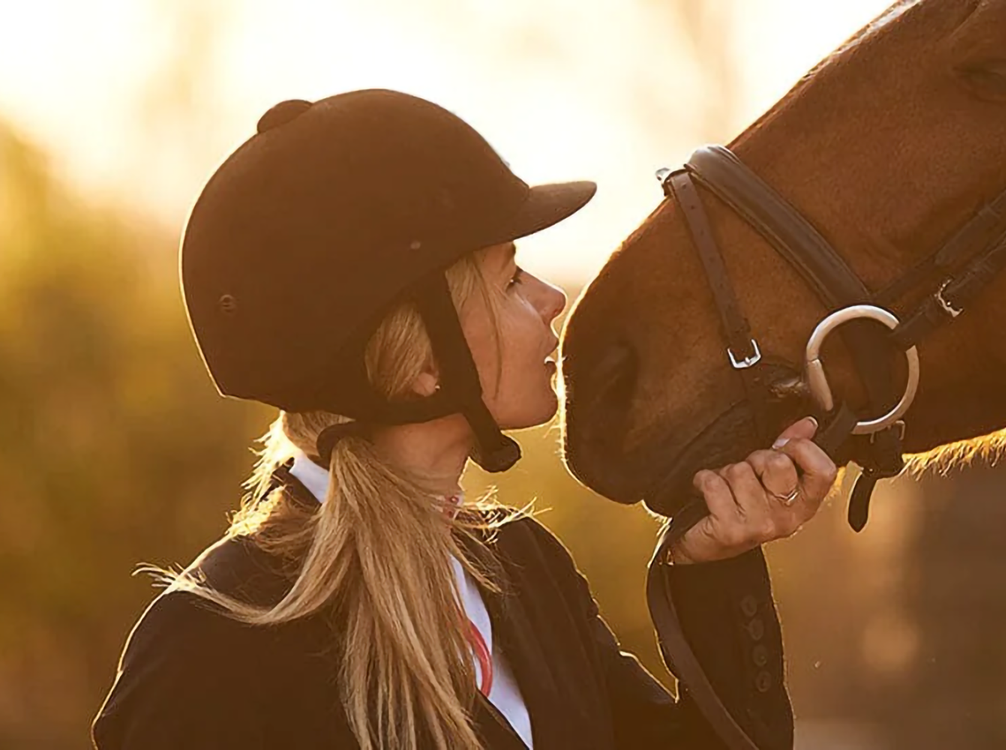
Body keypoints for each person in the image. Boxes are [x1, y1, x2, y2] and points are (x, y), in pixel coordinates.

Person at [91, 89, 837, 750]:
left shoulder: (521, 565)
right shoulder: (210, 643)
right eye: (510, 278)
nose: (551, 298)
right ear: (423, 363)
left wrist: (711, 567)